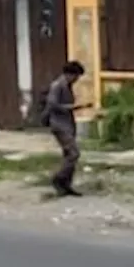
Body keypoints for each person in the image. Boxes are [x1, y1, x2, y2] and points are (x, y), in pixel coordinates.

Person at [44, 60, 90, 197]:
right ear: (70, 74)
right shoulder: (57, 86)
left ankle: (66, 185)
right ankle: (58, 179)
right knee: (74, 153)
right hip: (59, 125)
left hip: (67, 124)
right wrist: (73, 107)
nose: (77, 80)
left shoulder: (67, 86)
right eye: (76, 76)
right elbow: (52, 105)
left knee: (68, 155)